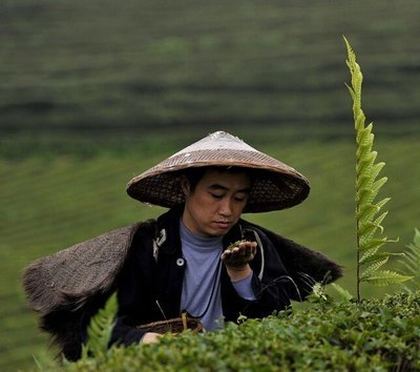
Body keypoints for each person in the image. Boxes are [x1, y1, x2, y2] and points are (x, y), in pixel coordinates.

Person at [23, 131, 342, 360]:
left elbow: (279, 320)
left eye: (239, 198)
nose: (227, 209)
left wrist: (240, 273)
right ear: (186, 187)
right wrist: (145, 340)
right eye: (216, 195)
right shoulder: (147, 248)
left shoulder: (255, 245)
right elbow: (96, 329)